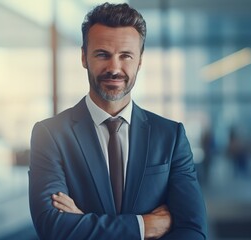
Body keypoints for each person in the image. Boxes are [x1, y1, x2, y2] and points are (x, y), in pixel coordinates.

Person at [29, 3, 207, 239]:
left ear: (140, 61)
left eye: (126, 56)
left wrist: (83, 224)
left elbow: (193, 231)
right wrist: (144, 226)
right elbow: (53, 227)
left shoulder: (170, 137)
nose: (114, 68)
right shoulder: (50, 135)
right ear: (84, 56)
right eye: (103, 54)